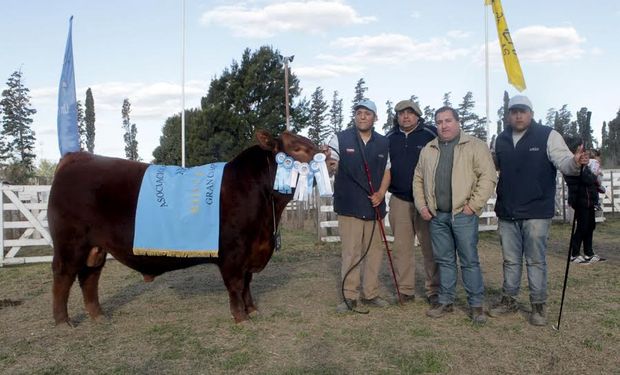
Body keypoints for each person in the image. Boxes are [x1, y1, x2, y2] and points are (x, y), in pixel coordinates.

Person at [490, 95, 589, 326]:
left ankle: (538, 305)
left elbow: (565, 163)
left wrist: (576, 162)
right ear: (508, 115)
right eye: (514, 111)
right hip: (507, 211)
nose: (518, 115)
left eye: (522, 111)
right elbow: (494, 165)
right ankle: (509, 300)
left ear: (531, 113)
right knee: (510, 260)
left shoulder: (548, 135)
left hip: (536, 211)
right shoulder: (501, 139)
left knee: (535, 261)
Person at [413, 106, 497, 324]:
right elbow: (418, 179)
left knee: (469, 260)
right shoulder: (428, 149)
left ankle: (476, 304)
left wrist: (473, 206)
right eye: (439, 122)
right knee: (444, 260)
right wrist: (423, 206)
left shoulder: (475, 146)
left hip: (463, 214)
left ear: (458, 122)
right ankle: (445, 300)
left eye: (448, 121)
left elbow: (487, 177)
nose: (443, 126)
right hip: (437, 216)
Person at [326, 99, 392, 313]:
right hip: (349, 206)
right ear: (355, 116)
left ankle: (370, 294)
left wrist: (381, 193)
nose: (363, 116)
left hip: (375, 208)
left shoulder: (384, 142)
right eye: (359, 113)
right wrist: (327, 162)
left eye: (368, 113)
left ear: (375, 117)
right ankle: (350, 296)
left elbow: (387, 171)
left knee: (374, 253)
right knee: (351, 253)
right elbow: (331, 164)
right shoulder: (339, 138)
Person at [386, 99, 440, 306]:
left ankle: (433, 289)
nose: (405, 116)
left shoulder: (430, 134)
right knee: (402, 248)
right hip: (399, 199)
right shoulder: (389, 138)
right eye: (401, 113)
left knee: (430, 247)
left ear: (418, 115)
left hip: (426, 200)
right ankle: (405, 289)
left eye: (409, 113)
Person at [564, 137, 606, 265]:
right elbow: (588, 179)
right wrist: (593, 175)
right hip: (580, 200)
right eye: (580, 148)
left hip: (589, 200)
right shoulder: (571, 164)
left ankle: (589, 253)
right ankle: (574, 254)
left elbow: (591, 179)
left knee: (590, 226)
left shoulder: (584, 164)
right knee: (582, 227)